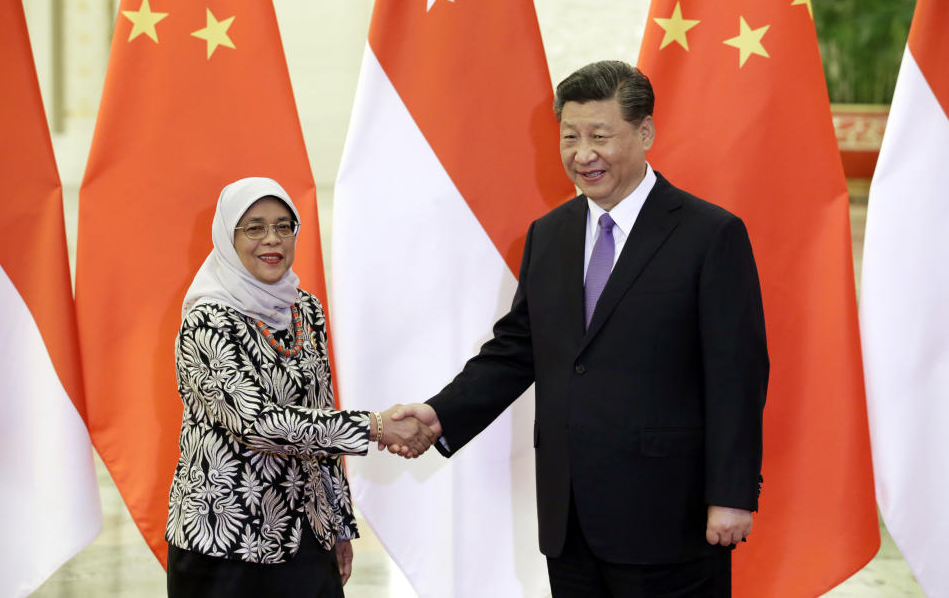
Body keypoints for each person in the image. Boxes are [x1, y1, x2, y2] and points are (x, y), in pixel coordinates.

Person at [393, 61, 768, 596]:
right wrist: (438, 414)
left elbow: (738, 375)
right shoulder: (550, 235)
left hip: (671, 517)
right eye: (570, 137)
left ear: (645, 133)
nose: (582, 154)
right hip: (570, 520)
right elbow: (515, 351)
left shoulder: (710, 234)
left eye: (599, 136)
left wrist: (731, 493)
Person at [165, 177, 434, 597]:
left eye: (283, 226)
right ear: (227, 236)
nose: (272, 239)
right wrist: (375, 426)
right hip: (225, 541)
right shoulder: (208, 319)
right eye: (254, 227)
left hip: (306, 536)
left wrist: (340, 526)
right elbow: (257, 424)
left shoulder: (304, 309)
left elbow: (321, 413)